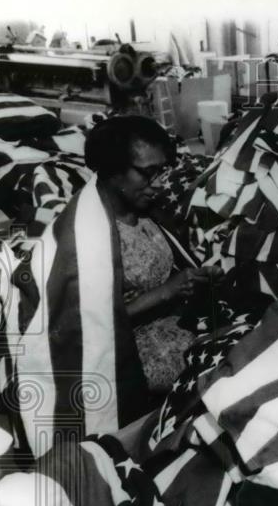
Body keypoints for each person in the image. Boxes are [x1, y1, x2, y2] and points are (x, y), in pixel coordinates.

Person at [84, 115, 221, 397]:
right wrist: (165, 292)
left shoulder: (145, 213)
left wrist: (193, 278)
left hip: (174, 328)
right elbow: (84, 322)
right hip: (128, 356)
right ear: (111, 170)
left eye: (161, 171)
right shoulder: (89, 233)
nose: (158, 184)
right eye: (147, 173)